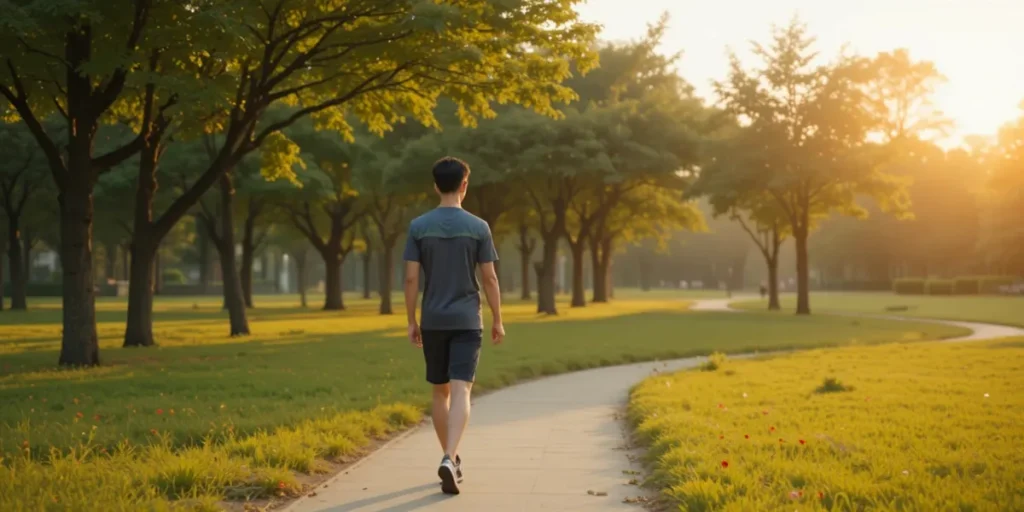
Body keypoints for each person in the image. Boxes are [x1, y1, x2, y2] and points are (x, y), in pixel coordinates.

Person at [403, 156, 505, 496]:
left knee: (439, 391)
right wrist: (498, 319)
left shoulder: (419, 226)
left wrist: (411, 320)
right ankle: (450, 457)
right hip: (466, 320)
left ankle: (450, 458)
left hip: (433, 319)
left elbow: (410, 278)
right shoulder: (479, 227)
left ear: (435, 186)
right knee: (462, 389)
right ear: (464, 184)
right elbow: (489, 278)